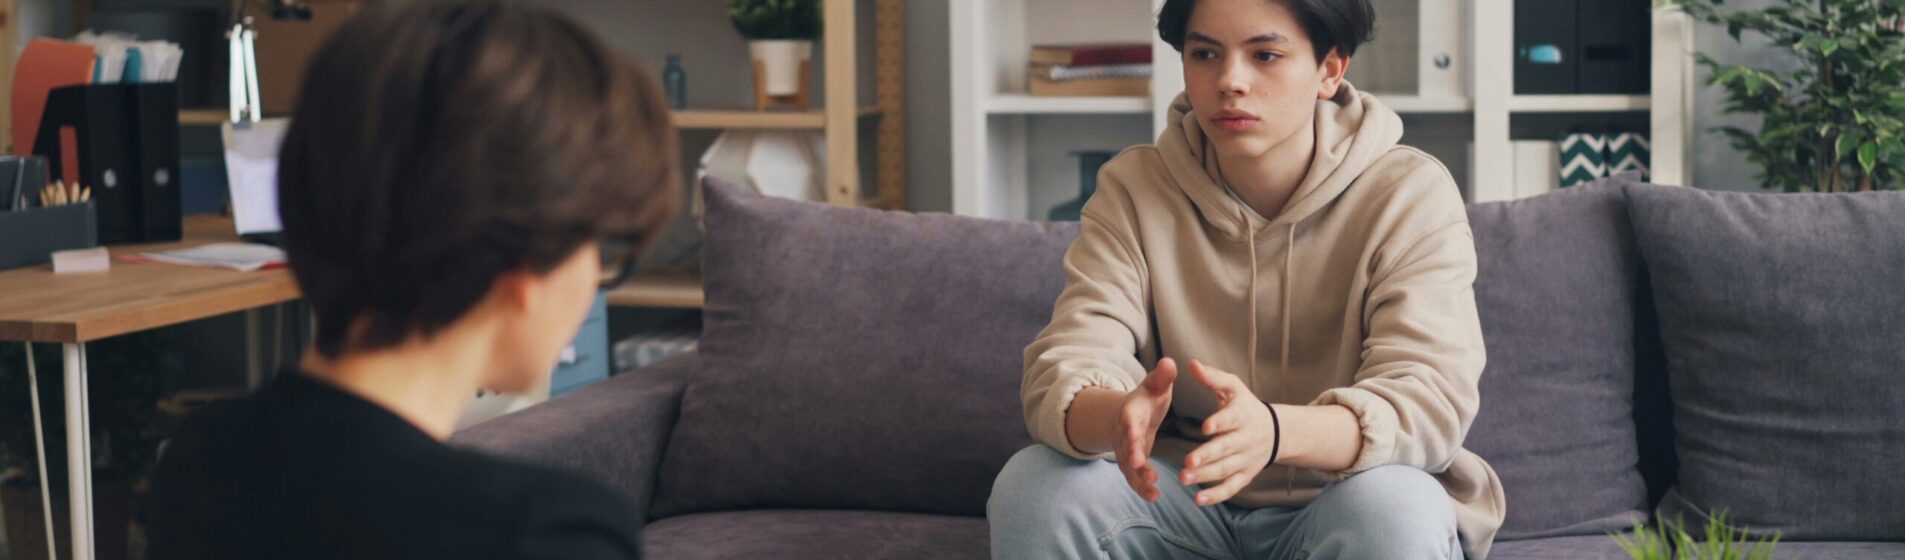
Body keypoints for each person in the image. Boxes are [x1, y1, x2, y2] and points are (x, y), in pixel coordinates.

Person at [146, 0, 679, 557]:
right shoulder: (551, 533)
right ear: (524, 265)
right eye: (599, 246)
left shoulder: (199, 461)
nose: (595, 274)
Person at [990, 0, 1505, 558]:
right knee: (1035, 486)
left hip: (1338, 503)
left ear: (1331, 69)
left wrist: (1276, 432)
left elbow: (1429, 400)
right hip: (1177, 502)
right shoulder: (1133, 190)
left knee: (1395, 507)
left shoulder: (1409, 194)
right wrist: (1117, 416)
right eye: (1205, 53)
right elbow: (1068, 360)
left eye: (1265, 55)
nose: (1230, 81)